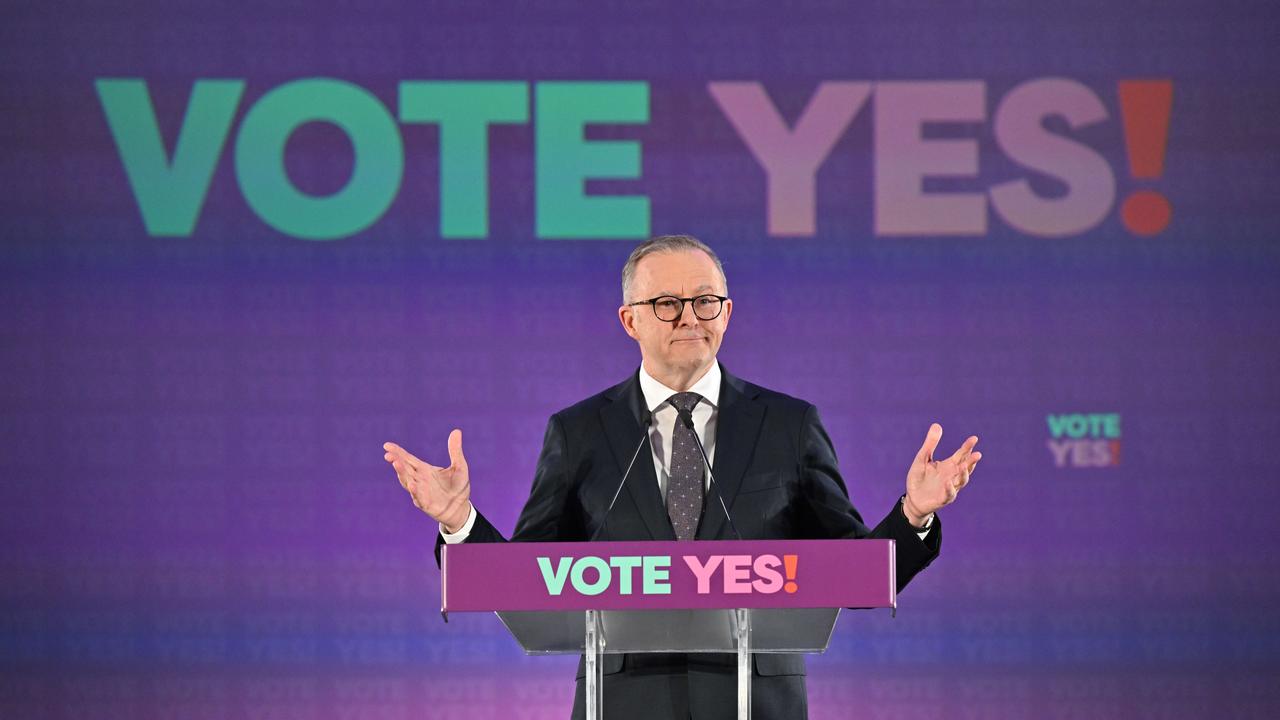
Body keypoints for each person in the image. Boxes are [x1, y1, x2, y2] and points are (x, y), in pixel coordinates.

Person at [383, 234, 981, 720]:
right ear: (629, 320)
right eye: (666, 303)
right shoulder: (580, 431)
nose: (688, 317)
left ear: (728, 312)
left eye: (706, 301)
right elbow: (528, 580)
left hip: (756, 700)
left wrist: (914, 514)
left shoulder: (789, 425)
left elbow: (855, 569)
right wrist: (459, 522)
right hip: (624, 701)